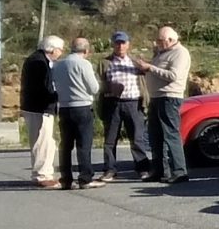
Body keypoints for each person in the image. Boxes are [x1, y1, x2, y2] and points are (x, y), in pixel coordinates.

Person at [138, 26, 192, 184]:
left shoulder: (180, 53)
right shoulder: (162, 53)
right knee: (155, 135)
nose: (158, 43)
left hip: (169, 97)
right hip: (156, 97)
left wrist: (150, 68)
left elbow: (174, 75)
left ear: (170, 39)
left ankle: (180, 171)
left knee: (170, 134)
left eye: (160, 41)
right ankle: (160, 170)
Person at [97, 31, 151, 180]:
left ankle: (142, 169)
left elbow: (147, 79)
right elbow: (99, 83)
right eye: (117, 43)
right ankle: (110, 170)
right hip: (112, 103)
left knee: (137, 138)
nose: (120, 46)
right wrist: (108, 90)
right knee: (110, 139)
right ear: (113, 44)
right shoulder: (105, 63)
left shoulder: (136, 62)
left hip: (133, 103)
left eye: (123, 43)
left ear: (128, 45)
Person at [50, 36, 101, 190]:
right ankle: (85, 178)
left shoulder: (58, 65)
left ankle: (66, 178)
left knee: (65, 144)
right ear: (86, 50)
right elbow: (94, 88)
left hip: (64, 107)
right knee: (84, 144)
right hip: (82, 106)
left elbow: (54, 86)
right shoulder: (83, 64)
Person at [19, 37, 62, 189]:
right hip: (40, 107)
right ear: (52, 49)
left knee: (45, 141)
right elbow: (46, 87)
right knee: (43, 142)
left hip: (34, 106)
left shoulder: (35, 59)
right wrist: (58, 96)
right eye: (60, 50)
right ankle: (42, 175)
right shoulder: (40, 63)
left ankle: (43, 172)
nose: (61, 53)